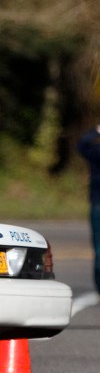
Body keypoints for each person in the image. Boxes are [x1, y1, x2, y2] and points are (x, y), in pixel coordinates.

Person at [77, 125, 100, 293]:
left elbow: (81, 145)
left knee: (99, 248)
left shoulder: (95, 152)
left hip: (97, 205)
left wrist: (96, 131)